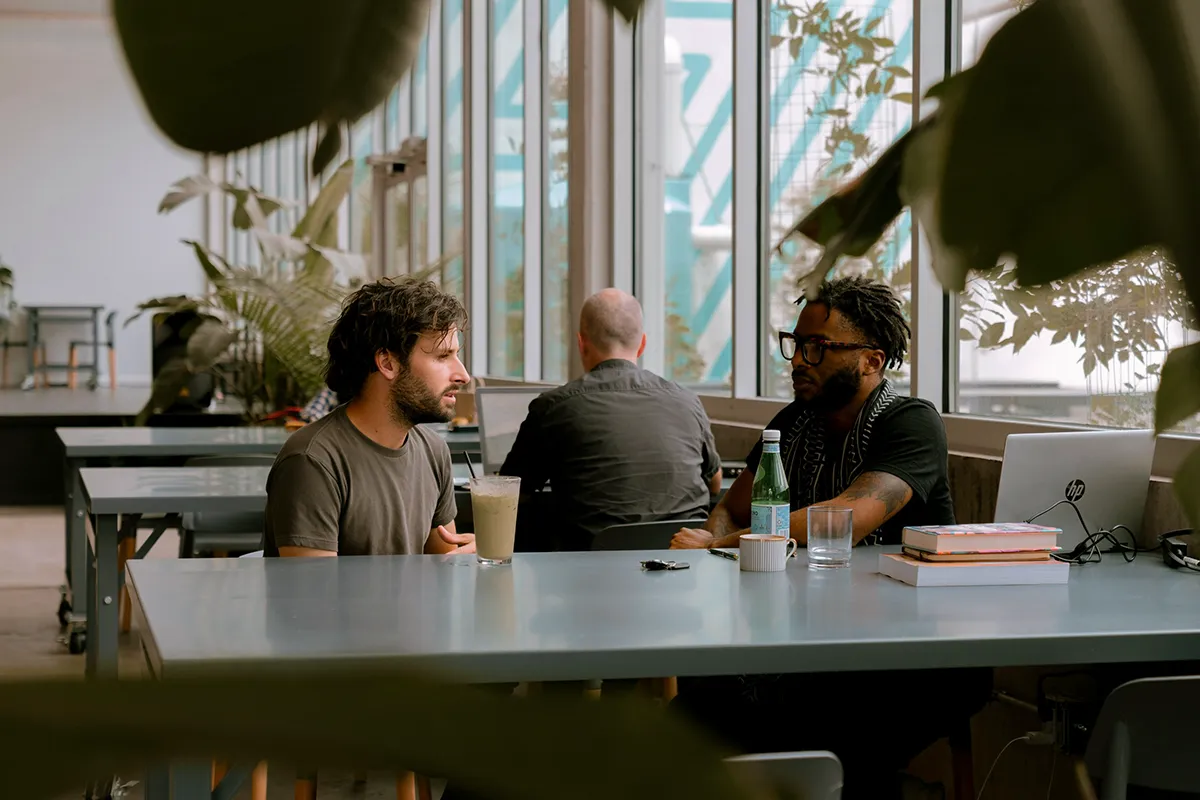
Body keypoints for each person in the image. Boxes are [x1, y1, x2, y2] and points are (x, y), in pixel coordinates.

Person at [668, 276, 990, 799]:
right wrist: (709, 541)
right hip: (808, 638)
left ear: (872, 361)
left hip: (911, 653)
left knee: (824, 725)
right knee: (694, 705)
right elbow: (731, 507)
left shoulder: (910, 422)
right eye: (795, 345)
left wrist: (718, 546)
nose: (798, 361)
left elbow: (849, 516)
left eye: (817, 347)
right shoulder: (793, 422)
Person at [262, 278, 476, 557]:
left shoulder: (433, 451)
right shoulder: (312, 461)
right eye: (442, 356)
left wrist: (464, 562)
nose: (463, 375)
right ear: (387, 363)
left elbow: (439, 566)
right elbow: (313, 596)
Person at [499, 288, 723, 551]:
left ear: (581, 343)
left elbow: (509, 492)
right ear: (642, 344)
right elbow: (715, 481)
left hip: (589, 575)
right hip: (684, 568)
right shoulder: (688, 400)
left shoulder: (554, 406)